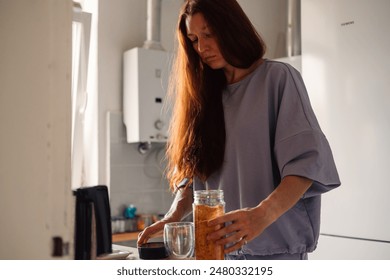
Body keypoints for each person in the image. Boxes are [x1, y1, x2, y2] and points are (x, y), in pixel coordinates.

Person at [137, 0, 341, 260]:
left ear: (232, 27)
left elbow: (305, 167)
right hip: (219, 255)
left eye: (209, 34)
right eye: (194, 40)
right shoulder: (206, 97)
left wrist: (259, 216)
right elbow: (196, 172)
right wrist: (173, 217)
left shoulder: (278, 79)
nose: (202, 47)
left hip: (276, 256)